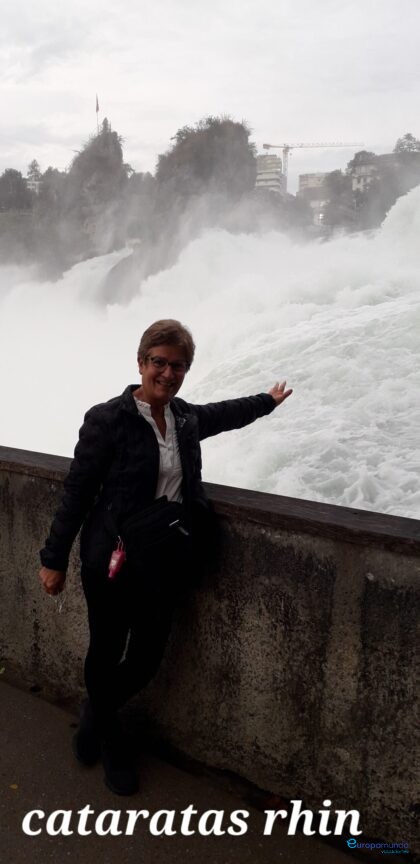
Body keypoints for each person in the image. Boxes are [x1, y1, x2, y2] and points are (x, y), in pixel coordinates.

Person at [39, 319, 292, 796]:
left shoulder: (185, 419)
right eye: (160, 362)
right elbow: (77, 493)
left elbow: (225, 413)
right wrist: (53, 559)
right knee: (106, 649)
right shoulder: (107, 420)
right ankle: (112, 740)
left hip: (162, 562)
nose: (168, 373)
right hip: (111, 560)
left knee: (147, 656)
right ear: (141, 362)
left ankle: (95, 714)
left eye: (179, 366)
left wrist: (267, 401)